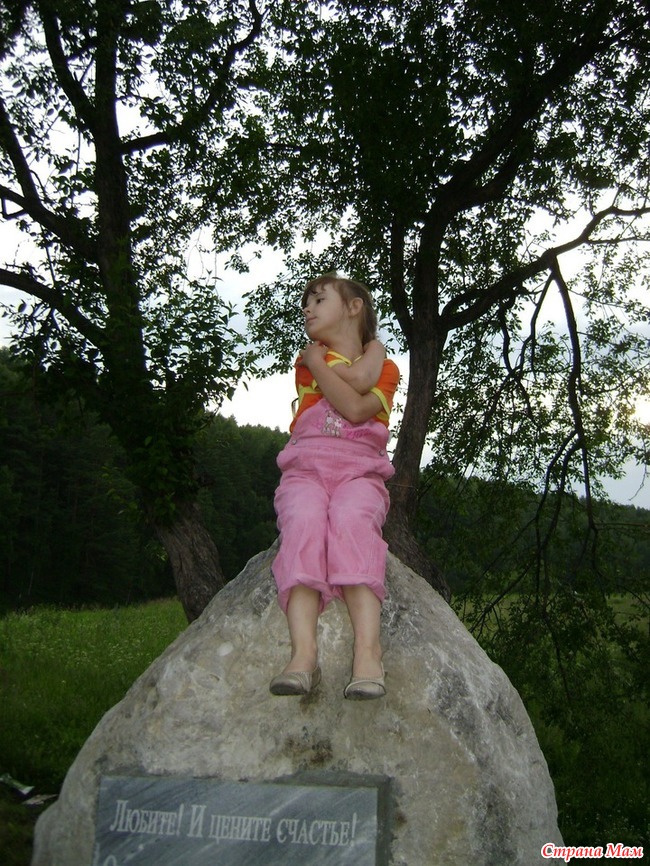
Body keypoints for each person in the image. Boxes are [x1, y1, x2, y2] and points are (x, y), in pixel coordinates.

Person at [269, 274, 400, 700]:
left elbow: (358, 406)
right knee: (303, 521)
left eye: (319, 299)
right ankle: (303, 656)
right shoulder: (310, 359)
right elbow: (354, 387)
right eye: (306, 302)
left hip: (359, 473)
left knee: (352, 521)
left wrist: (375, 349)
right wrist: (368, 351)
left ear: (354, 307)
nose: (307, 309)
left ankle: (368, 654)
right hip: (306, 469)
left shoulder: (384, 368)